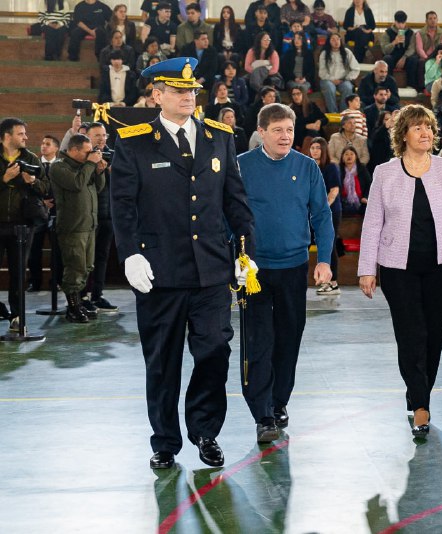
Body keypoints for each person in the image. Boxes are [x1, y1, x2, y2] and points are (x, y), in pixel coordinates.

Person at [110, 57, 255, 469]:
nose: (188, 97)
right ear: (157, 95)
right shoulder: (134, 141)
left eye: (192, 91)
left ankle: (205, 430)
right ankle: (165, 441)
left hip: (211, 271)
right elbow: (122, 205)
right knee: (162, 362)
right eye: (178, 90)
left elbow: (236, 203)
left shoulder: (220, 137)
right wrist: (130, 253)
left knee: (214, 351)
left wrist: (246, 254)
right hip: (159, 273)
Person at [358, 104, 442, 437]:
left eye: (429, 127)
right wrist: (367, 268)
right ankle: (421, 406)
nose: (426, 133)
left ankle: (417, 394)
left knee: (433, 337)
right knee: (411, 335)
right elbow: (372, 224)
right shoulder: (385, 172)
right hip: (398, 269)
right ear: (403, 135)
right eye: (418, 128)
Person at [237, 102, 334, 442]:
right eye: (277, 130)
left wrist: (324, 260)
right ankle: (263, 414)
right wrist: (234, 257)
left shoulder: (307, 168)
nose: (285, 136)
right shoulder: (241, 167)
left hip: (294, 269)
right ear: (261, 132)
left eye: (290, 130)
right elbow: (226, 216)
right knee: (258, 342)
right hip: (254, 272)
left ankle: (279, 402)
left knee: (289, 340)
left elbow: (322, 215)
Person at [0, 118, 50, 331]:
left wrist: (33, 182)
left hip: (23, 226)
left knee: (19, 272)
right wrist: (4, 178)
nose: (26, 137)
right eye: (20, 134)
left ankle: (17, 317)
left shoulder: (30, 158)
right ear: (6, 136)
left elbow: (46, 187)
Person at [50, 133, 105, 323]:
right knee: (75, 267)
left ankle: (79, 303)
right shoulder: (59, 167)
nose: (90, 155)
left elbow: (97, 188)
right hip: (73, 227)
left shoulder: (84, 167)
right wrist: (90, 165)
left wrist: (98, 171)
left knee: (87, 266)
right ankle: (72, 308)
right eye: (86, 152)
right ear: (73, 150)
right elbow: (77, 184)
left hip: (89, 225)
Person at [83, 122, 117, 313]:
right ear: (87, 137)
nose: (102, 139)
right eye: (97, 135)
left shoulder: (113, 156)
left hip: (109, 215)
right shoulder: (83, 157)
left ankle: (97, 295)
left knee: (102, 256)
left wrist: (115, 173)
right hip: (88, 217)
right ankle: (82, 296)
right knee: (87, 259)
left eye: (104, 135)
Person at [28, 134, 61, 293]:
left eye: (48, 144)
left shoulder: (60, 166)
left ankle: (56, 281)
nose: (43, 146)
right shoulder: (34, 165)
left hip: (57, 212)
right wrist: (42, 203)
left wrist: (52, 203)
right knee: (34, 250)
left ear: (56, 148)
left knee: (57, 250)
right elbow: (28, 189)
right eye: (42, 143)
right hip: (37, 213)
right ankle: (34, 282)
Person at [309, 137, 341, 295]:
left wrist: (322, 209)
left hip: (330, 211)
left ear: (324, 150)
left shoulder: (331, 167)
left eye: (317, 147)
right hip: (312, 212)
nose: (314, 150)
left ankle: (333, 283)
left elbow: (334, 191)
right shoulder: (308, 166)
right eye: (312, 147)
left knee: (330, 245)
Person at [318, 33, 360, 113]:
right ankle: (333, 113)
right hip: (327, 80)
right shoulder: (324, 53)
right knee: (330, 87)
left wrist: (346, 78)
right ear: (329, 42)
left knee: (348, 87)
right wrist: (332, 80)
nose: (336, 41)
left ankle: (343, 113)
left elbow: (356, 69)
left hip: (343, 80)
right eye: (333, 39)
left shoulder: (347, 52)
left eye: (337, 39)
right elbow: (322, 72)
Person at [412, 11, 442, 91]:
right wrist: (427, 58)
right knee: (420, 62)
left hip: (439, 55)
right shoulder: (420, 33)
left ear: (437, 20)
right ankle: (421, 88)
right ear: (426, 21)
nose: (433, 20)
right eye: (430, 19)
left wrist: (440, 56)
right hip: (425, 56)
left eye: (435, 18)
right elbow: (419, 49)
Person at [288, 86, 327, 151]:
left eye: (298, 94)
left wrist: (319, 122)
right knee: (312, 133)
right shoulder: (290, 109)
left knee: (313, 133)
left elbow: (325, 119)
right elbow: (291, 126)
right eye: (293, 94)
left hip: (315, 134)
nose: (296, 96)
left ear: (303, 94)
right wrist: (306, 126)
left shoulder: (312, 105)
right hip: (299, 135)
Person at [379, 10, 416, 76]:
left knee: (414, 59)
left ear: (405, 22)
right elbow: (385, 50)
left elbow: (412, 48)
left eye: (403, 22)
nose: (401, 25)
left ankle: (411, 84)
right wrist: (394, 42)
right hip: (393, 56)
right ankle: (389, 83)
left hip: (405, 57)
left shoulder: (410, 33)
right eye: (399, 23)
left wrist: (404, 57)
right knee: (387, 58)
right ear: (395, 22)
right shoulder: (387, 33)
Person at [337, 146, 371, 214]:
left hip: (361, 200)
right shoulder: (339, 170)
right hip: (343, 201)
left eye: (352, 154)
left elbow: (369, 185)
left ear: (356, 157)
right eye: (346, 154)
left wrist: (365, 197)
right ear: (342, 158)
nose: (349, 156)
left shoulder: (362, 168)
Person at [368, 109, 396, 174]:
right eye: (386, 119)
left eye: (390, 119)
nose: (390, 121)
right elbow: (377, 135)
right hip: (381, 165)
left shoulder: (396, 133)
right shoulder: (377, 131)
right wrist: (390, 120)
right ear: (381, 121)